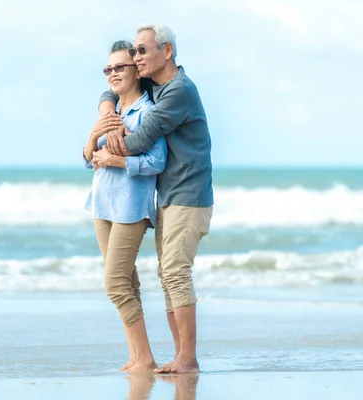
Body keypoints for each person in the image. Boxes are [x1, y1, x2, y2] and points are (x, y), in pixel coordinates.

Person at [98, 24, 214, 374]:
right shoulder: (155, 84)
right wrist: (109, 113)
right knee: (168, 275)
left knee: (176, 274)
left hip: (189, 195)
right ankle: (180, 356)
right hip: (170, 195)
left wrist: (113, 139)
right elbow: (110, 91)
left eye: (142, 51)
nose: (135, 58)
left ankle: (188, 359)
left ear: (166, 51)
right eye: (133, 52)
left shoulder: (177, 91)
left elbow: (141, 141)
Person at [83, 40, 167, 373]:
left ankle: (144, 358)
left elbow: (156, 161)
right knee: (127, 283)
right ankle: (137, 357)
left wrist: (117, 161)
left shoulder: (148, 112)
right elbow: (90, 158)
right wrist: (92, 140)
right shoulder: (110, 111)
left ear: (136, 71)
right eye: (108, 69)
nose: (113, 74)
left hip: (131, 207)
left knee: (115, 284)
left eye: (120, 67)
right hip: (101, 204)